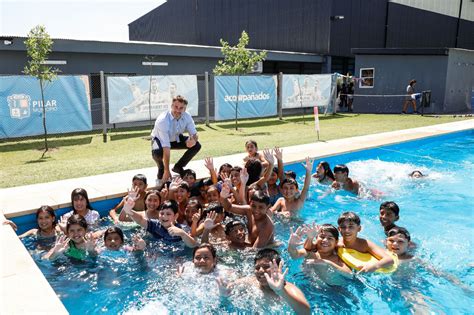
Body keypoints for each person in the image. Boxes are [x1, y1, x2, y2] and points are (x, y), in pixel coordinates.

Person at [217, 249, 311, 314]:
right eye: (257, 268)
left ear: (279, 268)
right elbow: (228, 291)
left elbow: (306, 312)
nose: (261, 270)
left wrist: (281, 291)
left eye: (266, 267)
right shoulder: (250, 282)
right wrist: (224, 296)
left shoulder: (289, 289)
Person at [151, 95, 201, 186]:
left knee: (197, 145)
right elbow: (166, 147)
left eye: (181, 108)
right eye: (175, 107)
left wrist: (193, 140)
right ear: (171, 106)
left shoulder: (187, 116)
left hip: (175, 137)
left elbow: (194, 133)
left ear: (185, 109)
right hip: (159, 140)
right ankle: (161, 169)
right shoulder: (162, 120)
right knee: (157, 153)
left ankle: (178, 167)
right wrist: (167, 170)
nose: (178, 110)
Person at [121, 198, 197, 248]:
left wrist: (182, 234)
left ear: (175, 216)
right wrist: (129, 211)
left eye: (168, 214)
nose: (164, 216)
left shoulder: (182, 229)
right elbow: (140, 219)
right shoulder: (155, 225)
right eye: (162, 213)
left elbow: (193, 244)